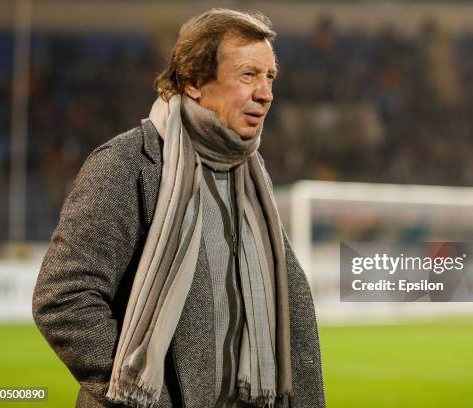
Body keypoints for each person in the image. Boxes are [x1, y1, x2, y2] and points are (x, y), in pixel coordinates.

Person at [32, 8, 325, 408]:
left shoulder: (252, 175)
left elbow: (289, 305)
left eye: (269, 76)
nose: (265, 92)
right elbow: (63, 298)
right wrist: (144, 394)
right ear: (192, 82)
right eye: (248, 75)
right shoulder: (127, 164)